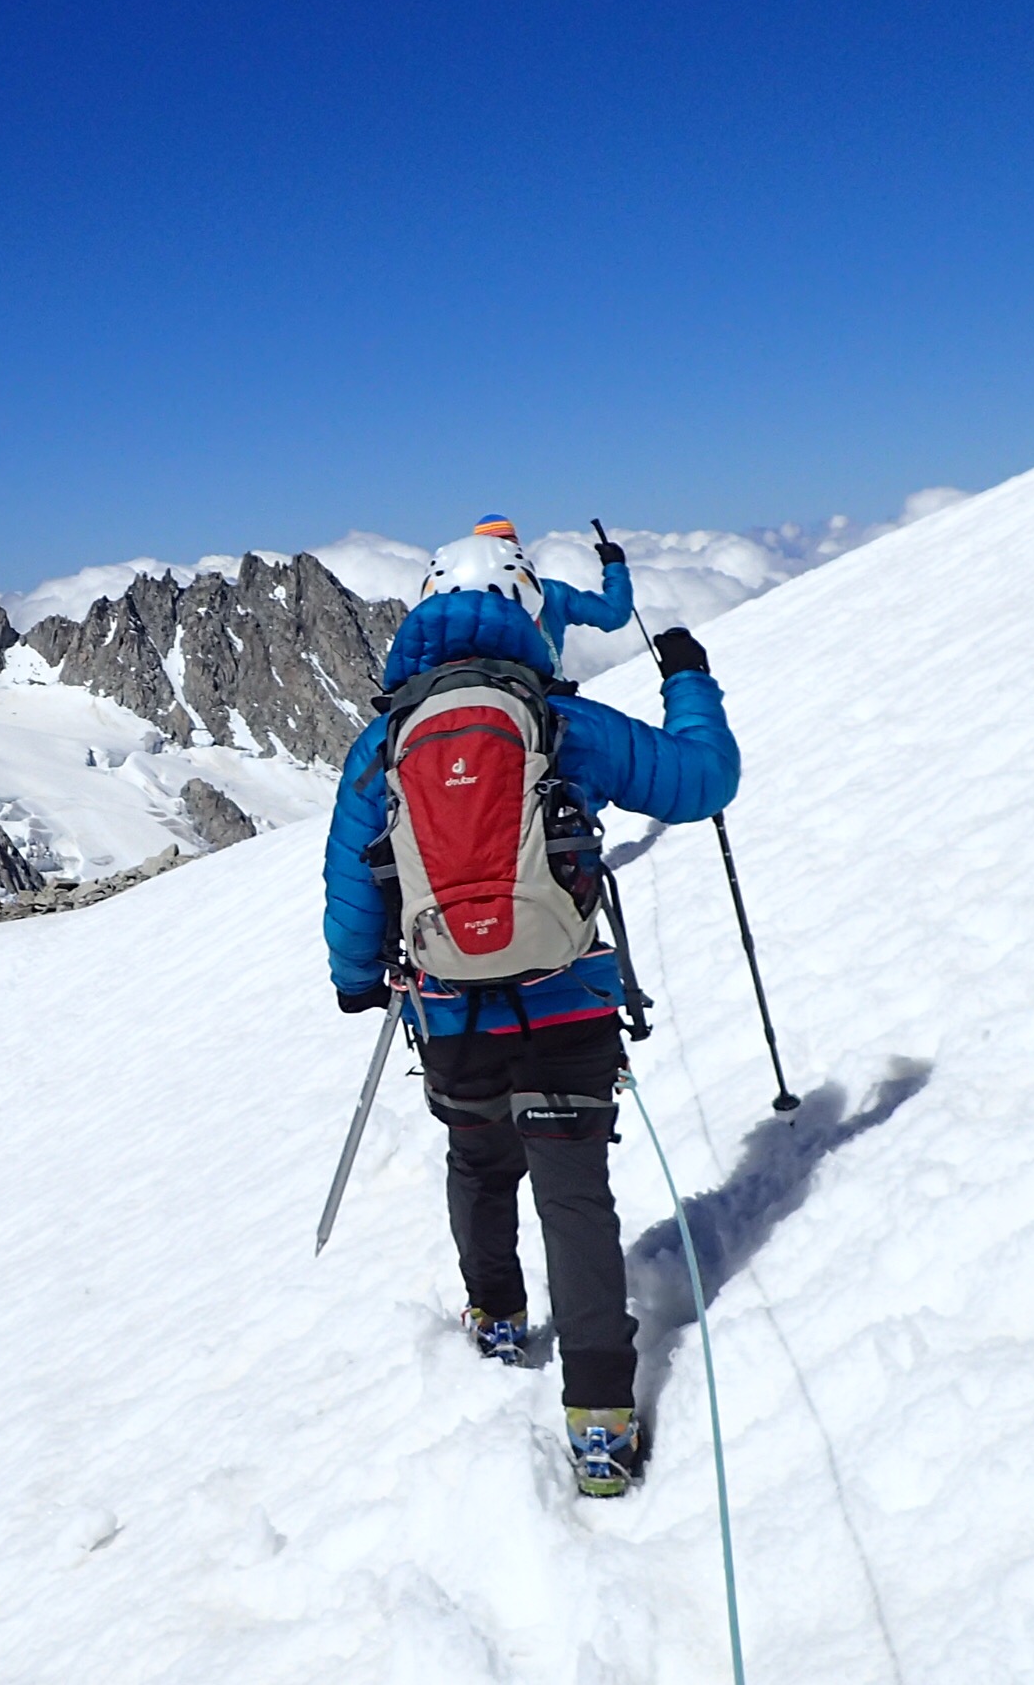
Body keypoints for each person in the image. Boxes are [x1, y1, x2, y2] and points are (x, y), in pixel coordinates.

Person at [321, 524, 740, 1497]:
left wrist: (356, 978)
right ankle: (599, 1421)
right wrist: (685, 677)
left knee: (476, 1163)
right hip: (568, 1010)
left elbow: (353, 884)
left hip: (452, 1020)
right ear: (523, 611)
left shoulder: (379, 745)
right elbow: (699, 780)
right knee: (574, 1199)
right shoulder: (557, 721)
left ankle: (498, 1315)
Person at [465, 511, 634, 672]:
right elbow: (614, 614)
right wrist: (615, 566)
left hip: (484, 695)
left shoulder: (462, 602)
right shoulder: (553, 593)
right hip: (547, 694)